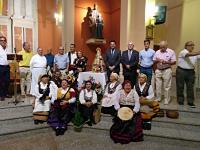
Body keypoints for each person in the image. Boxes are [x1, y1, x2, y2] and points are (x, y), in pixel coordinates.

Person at [176, 41, 200, 107]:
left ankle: (190, 101)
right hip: (181, 71)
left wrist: (197, 53)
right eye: (190, 45)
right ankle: (180, 100)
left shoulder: (194, 54)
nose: (192, 46)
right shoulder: (183, 52)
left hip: (191, 72)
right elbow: (188, 55)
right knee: (180, 86)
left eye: (193, 45)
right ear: (186, 46)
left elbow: (197, 56)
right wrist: (198, 52)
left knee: (190, 87)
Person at [0, 36, 11, 101]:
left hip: (7, 67)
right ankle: (2, 95)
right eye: (1, 40)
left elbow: (10, 57)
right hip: (0, 67)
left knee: (7, 81)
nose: (3, 41)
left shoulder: (8, 49)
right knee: (1, 82)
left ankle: (6, 93)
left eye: (4, 40)